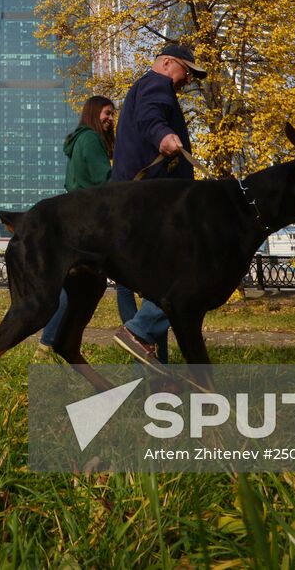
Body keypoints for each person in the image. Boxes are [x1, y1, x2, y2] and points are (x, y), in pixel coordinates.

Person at [110, 42, 207, 365]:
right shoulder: (156, 84)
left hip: (140, 200)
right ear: (167, 63)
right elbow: (152, 115)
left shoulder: (143, 86)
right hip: (154, 203)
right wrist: (163, 135)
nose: (188, 80)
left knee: (159, 285)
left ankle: (155, 360)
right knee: (190, 270)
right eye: (187, 71)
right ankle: (139, 331)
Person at [37, 95, 116, 351]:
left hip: (75, 216)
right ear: (93, 113)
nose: (110, 119)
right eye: (106, 113)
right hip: (91, 220)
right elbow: (105, 179)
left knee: (71, 285)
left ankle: (47, 344)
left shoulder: (79, 140)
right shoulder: (91, 139)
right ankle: (138, 333)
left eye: (112, 114)